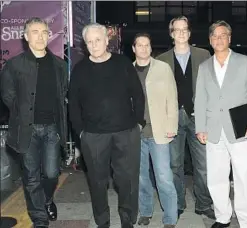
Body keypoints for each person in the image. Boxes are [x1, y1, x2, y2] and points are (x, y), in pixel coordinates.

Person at [68, 23, 145, 228]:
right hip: (93, 136)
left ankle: (127, 220)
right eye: (89, 42)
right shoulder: (79, 70)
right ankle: (103, 222)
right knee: (97, 182)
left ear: (106, 40)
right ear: (85, 44)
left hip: (126, 133)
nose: (94, 45)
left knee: (127, 181)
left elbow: (137, 94)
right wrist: (81, 132)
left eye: (98, 40)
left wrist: (138, 123)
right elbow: (73, 104)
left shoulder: (123, 63)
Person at [0, 17, 68, 228]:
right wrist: (23, 115)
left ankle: (47, 199)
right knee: (31, 178)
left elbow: (63, 92)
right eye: (35, 32)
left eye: (44, 32)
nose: (40, 36)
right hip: (26, 129)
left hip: (52, 129)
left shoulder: (59, 64)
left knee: (50, 173)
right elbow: (7, 96)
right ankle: (40, 219)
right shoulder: (14, 65)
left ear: (49, 35)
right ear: (26, 36)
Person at [195, 20, 247, 228]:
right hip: (214, 130)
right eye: (214, 36)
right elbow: (200, 99)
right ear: (210, 40)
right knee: (216, 177)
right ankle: (222, 216)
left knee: (243, 177)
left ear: (229, 38)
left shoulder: (244, 62)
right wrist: (200, 128)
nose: (218, 39)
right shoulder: (205, 67)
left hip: (240, 128)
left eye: (222, 35)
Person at [156, 16, 214, 219]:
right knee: (174, 165)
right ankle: (178, 203)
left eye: (184, 29)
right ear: (171, 34)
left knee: (204, 165)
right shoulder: (161, 59)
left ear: (189, 33)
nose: (181, 33)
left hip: (198, 117)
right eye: (176, 30)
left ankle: (203, 204)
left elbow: (212, 86)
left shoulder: (204, 55)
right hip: (172, 119)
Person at [132, 33, 178, 228]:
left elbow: (172, 98)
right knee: (141, 177)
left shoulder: (162, 68)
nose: (143, 48)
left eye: (147, 45)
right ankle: (146, 211)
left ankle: (170, 217)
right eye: (139, 45)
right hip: (135, 133)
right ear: (133, 49)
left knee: (163, 177)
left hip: (159, 131)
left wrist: (171, 126)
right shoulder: (127, 70)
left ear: (151, 48)